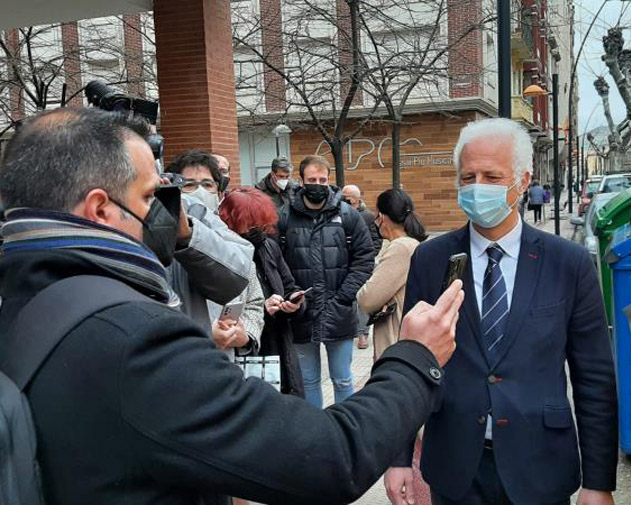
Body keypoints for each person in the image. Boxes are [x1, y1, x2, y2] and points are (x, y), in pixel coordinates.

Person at [0, 107, 465, 505]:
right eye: (149, 198)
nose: (167, 214)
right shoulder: (134, 340)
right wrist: (414, 359)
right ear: (100, 209)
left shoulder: (23, 303)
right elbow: (330, 456)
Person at [385, 118, 618, 505]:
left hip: (540, 466)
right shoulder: (432, 259)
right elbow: (410, 363)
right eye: (468, 177)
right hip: (455, 467)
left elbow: (594, 377)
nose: (478, 187)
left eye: (492, 176)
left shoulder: (568, 264)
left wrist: (598, 482)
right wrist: (398, 458)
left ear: (523, 181)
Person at [278, 155, 375, 408]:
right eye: (312, 179)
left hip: (338, 310)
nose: (318, 184)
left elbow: (365, 258)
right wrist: (291, 293)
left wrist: (345, 296)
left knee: (343, 379)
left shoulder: (348, 215)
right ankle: (316, 433)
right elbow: (275, 260)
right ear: (301, 181)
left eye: (323, 179)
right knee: (308, 381)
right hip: (301, 312)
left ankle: (344, 431)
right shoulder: (285, 216)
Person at [219, 187, 305, 397]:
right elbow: (223, 313)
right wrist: (262, 310)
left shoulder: (269, 247)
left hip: (280, 346)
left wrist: (293, 304)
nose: (257, 229)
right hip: (247, 351)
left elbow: (289, 284)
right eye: (249, 223)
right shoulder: (224, 252)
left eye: (260, 223)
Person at [163, 149, 254, 333]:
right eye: (188, 185)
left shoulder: (226, 235)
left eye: (207, 184)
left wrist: (246, 333)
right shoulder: (159, 233)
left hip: (221, 350)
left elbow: (251, 296)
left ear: (219, 192)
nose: (199, 192)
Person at [357, 188, 427, 360]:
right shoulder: (412, 244)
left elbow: (367, 299)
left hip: (396, 343)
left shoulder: (401, 248)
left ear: (381, 217)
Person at [342, 183, 382, 349]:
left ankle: (362, 333)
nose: (343, 201)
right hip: (343, 265)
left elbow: (377, 240)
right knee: (347, 298)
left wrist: (365, 257)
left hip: (362, 265)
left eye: (347, 199)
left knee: (363, 299)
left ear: (356, 200)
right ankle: (350, 329)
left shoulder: (368, 217)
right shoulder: (339, 215)